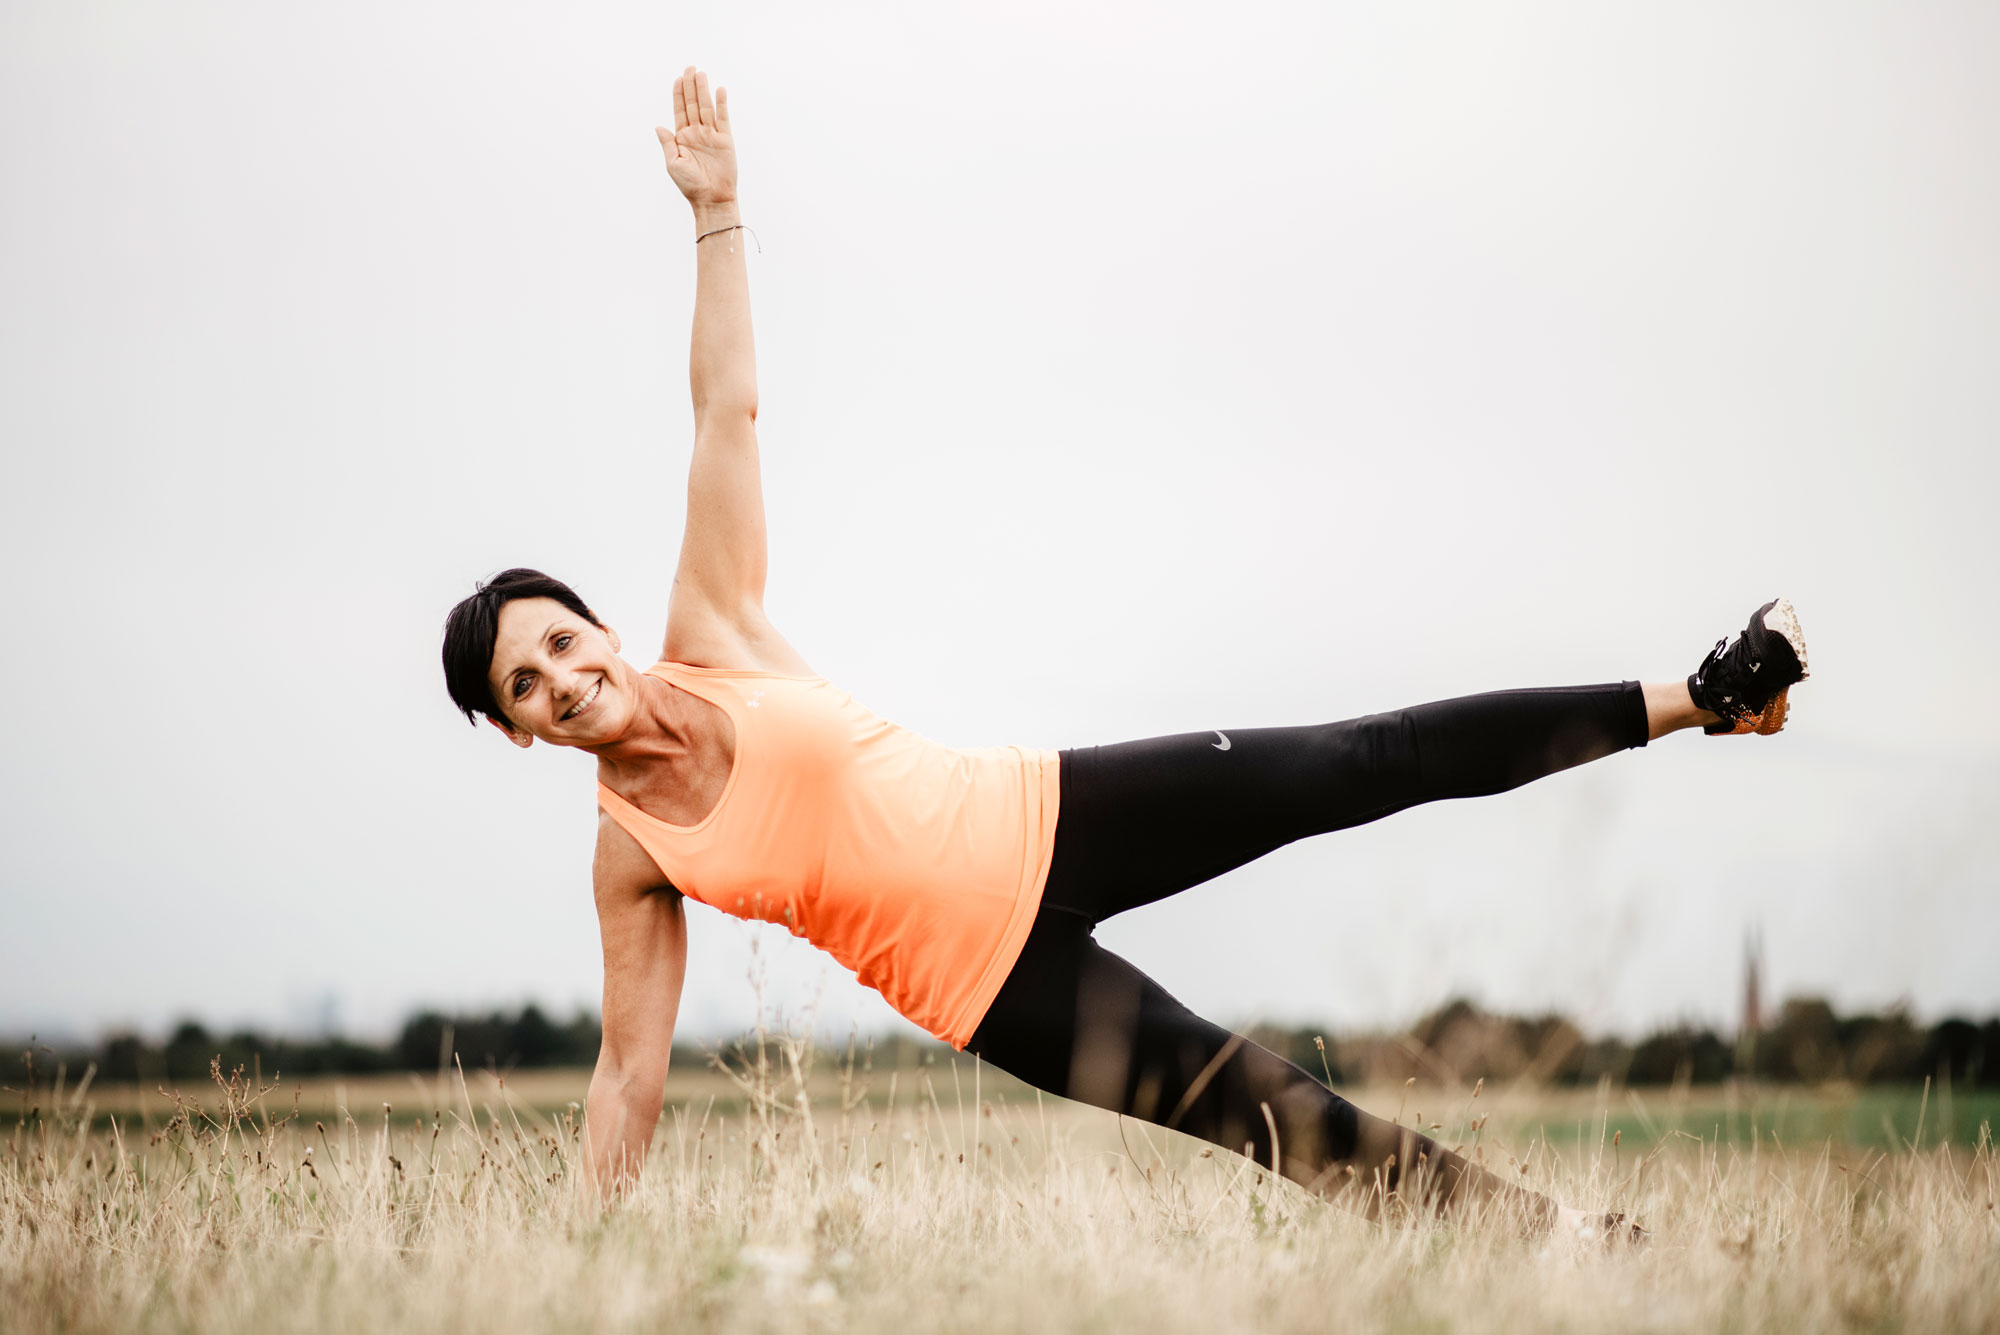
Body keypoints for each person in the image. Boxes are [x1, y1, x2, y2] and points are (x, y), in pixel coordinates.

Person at [440, 68, 1809, 1239]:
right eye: (528, 687)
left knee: (1362, 758)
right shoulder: (633, 857)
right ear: (521, 732)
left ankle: (1708, 694)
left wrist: (717, 212)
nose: (563, 678)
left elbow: (725, 410)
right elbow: (628, 1078)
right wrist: (580, 1254)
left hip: (1050, 809)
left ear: (599, 626)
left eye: (559, 642)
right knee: (1273, 1114)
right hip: (997, 992)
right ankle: (1577, 1246)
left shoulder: (711, 630)